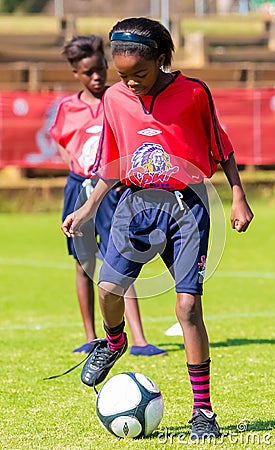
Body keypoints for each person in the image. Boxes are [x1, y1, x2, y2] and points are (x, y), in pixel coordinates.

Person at [62, 19, 254, 440]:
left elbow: (222, 149)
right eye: (123, 75)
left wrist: (238, 195)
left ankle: (203, 413)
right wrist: (88, 207)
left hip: (187, 208)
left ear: (163, 60)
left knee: (187, 308)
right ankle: (113, 342)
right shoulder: (114, 98)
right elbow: (110, 164)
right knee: (107, 291)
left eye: (140, 75)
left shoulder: (194, 93)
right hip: (133, 206)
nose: (130, 83)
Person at [50, 34, 167, 357]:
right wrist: (77, 167)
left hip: (114, 190)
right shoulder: (68, 108)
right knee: (83, 262)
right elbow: (61, 141)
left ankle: (139, 339)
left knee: (120, 259)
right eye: (89, 72)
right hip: (79, 188)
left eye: (101, 69)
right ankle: (91, 336)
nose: (97, 76)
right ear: (76, 72)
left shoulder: (120, 100)